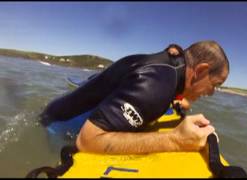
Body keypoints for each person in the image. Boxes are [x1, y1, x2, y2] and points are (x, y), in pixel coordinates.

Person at [40, 40, 229, 155]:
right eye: (215, 84)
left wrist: (182, 100)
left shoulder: (172, 68)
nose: (212, 92)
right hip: (56, 124)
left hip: (64, 106)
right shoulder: (155, 86)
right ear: (201, 70)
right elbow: (87, 141)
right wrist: (176, 139)